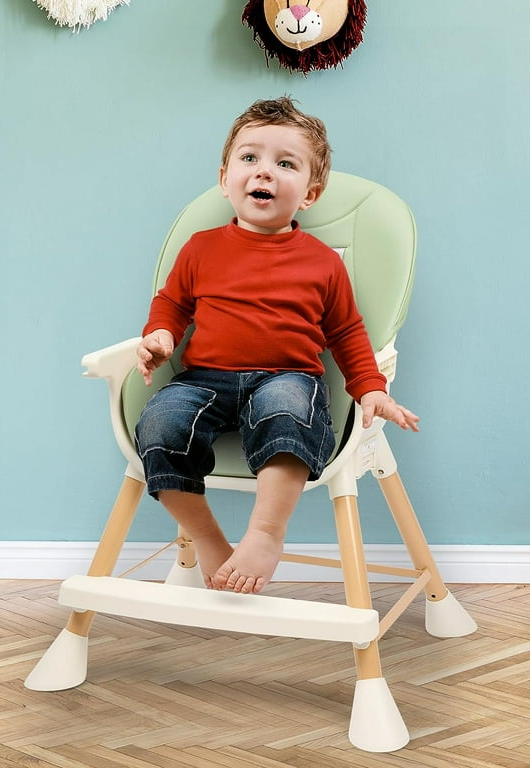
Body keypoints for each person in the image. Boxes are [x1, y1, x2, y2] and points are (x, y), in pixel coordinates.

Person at [134, 97, 419, 596]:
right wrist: (160, 336)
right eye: (250, 158)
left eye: (285, 164)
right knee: (159, 425)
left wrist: (371, 388)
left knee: (289, 411)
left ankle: (265, 533)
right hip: (203, 380)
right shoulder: (200, 247)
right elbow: (172, 305)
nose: (264, 171)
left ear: (310, 192)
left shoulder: (322, 262)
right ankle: (208, 539)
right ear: (225, 178)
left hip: (288, 377)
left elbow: (348, 331)